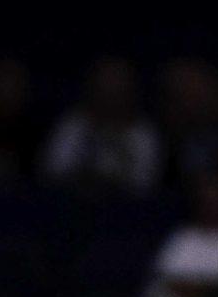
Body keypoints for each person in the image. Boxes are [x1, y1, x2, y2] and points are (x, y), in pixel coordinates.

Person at [40, 57, 160, 196]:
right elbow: (54, 171)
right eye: (105, 86)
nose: (110, 93)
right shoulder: (73, 125)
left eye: (117, 88)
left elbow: (145, 181)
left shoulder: (144, 133)